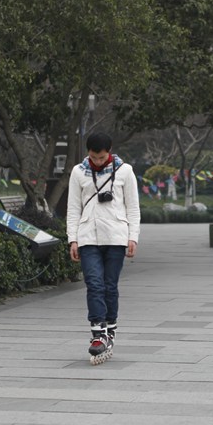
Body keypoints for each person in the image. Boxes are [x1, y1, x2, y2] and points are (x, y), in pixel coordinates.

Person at [66, 131, 140, 365]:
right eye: (93, 157)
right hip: (88, 236)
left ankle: (110, 330)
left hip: (116, 236)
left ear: (109, 152)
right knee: (94, 284)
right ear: (88, 152)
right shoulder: (78, 172)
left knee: (109, 285)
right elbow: (73, 208)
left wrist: (133, 237)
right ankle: (98, 334)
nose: (97, 161)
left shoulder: (125, 171)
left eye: (101, 157)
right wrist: (72, 239)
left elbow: (133, 207)